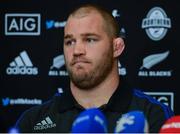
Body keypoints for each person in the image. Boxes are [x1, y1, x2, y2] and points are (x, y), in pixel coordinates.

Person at [15, 3, 174, 132]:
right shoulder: (34, 121)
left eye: (90, 40)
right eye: (70, 42)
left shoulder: (153, 115)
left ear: (117, 47)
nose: (77, 51)